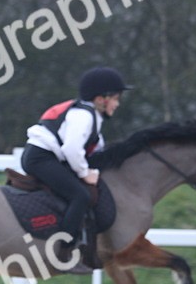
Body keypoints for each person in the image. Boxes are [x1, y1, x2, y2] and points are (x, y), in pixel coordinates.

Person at [21, 66, 132, 266]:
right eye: (116, 98)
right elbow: (72, 149)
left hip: (44, 157)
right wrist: (84, 173)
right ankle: (63, 250)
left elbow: (95, 149)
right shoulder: (83, 116)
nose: (117, 104)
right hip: (41, 158)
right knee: (81, 195)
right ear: (101, 99)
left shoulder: (91, 116)